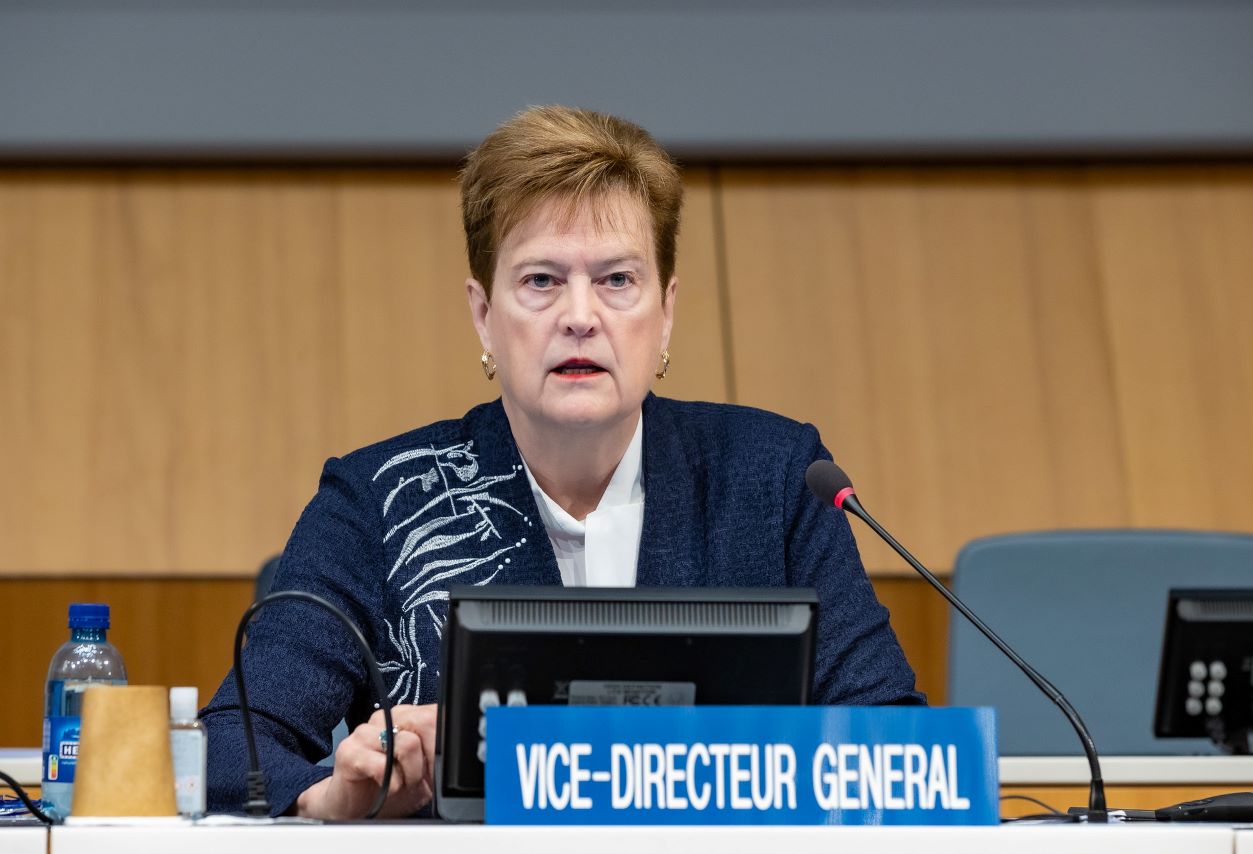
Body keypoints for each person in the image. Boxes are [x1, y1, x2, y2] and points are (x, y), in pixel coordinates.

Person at [201, 105, 923, 819]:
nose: (581, 316)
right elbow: (231, 746)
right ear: (484, 316)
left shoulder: (776, 480)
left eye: (617, 280)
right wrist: (329, 797)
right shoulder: (381, 502)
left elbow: (894, 739)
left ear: (666, 312)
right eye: (542, 281)